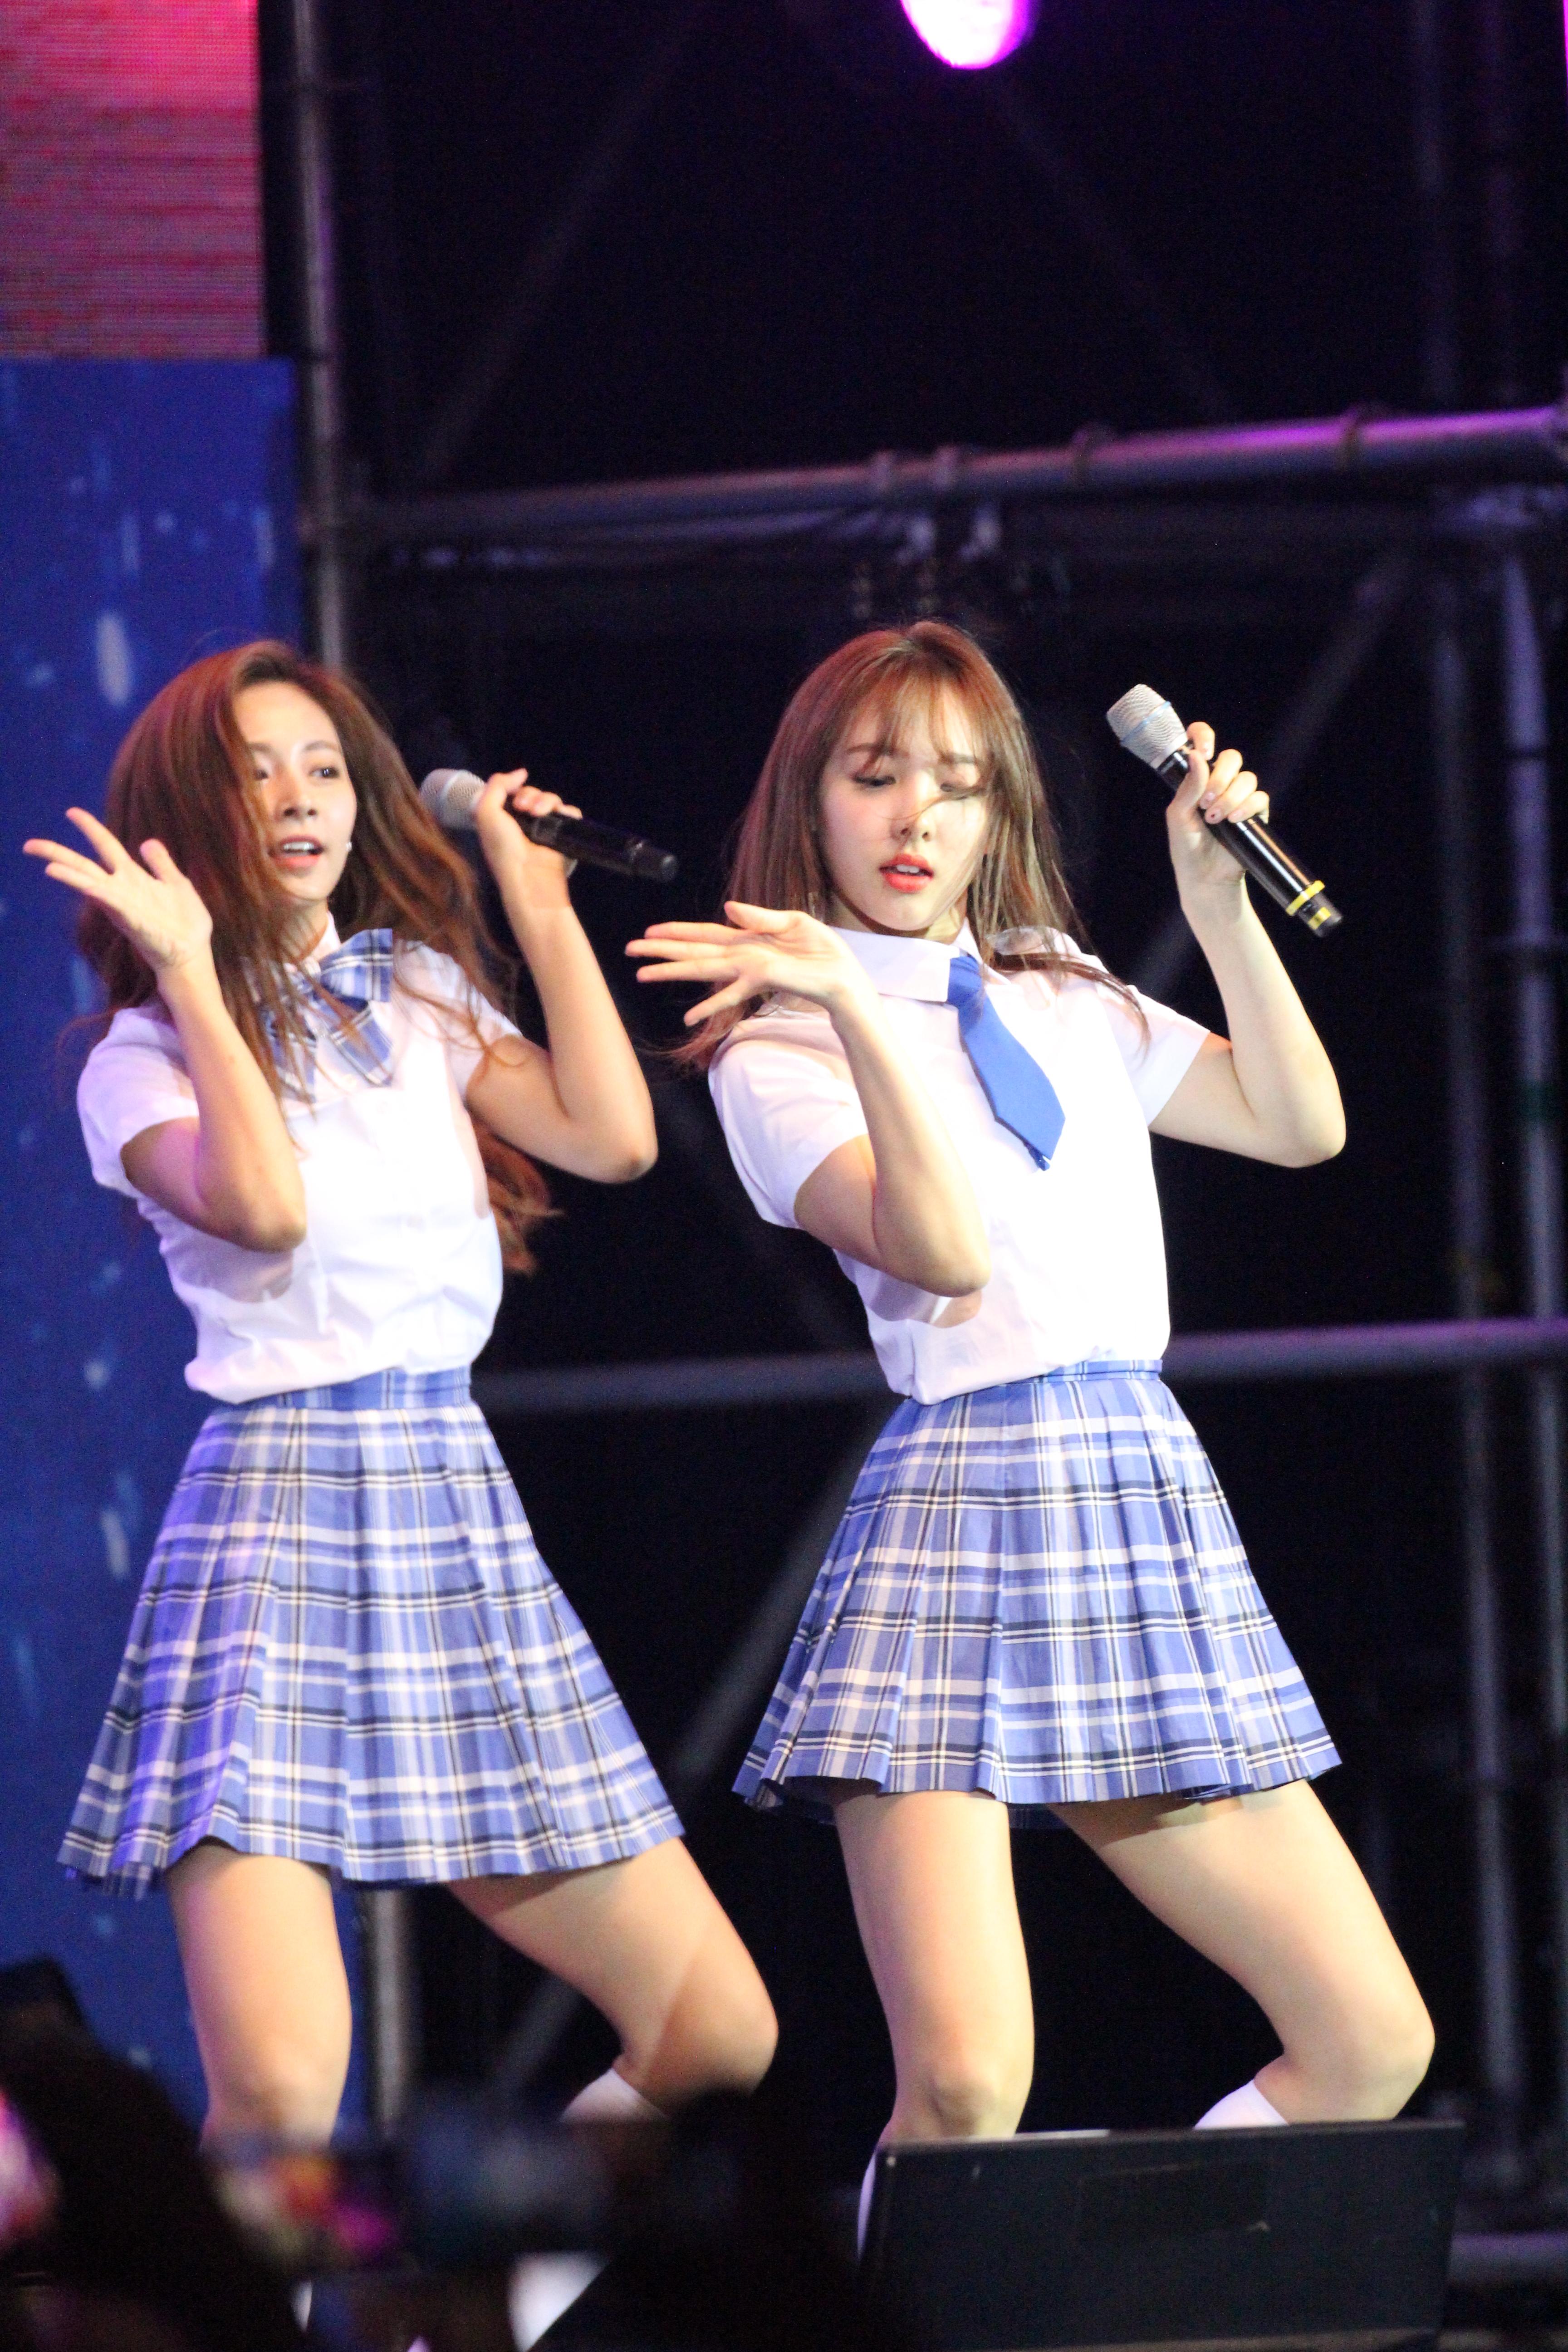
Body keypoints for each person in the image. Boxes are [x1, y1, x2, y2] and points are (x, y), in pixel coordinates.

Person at [627, 621, 1431, 2196]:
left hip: (1131, 1491)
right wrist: (862, 1011)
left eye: (958, 784)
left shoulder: (1060, 986)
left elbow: (1299, 1124)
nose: (915, 819)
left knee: (1368, 2040)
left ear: (1001, 810)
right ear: (811, 799)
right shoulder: (772, 1043)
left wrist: (1216, 905)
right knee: (967, 2079)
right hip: (958, 1506)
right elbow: (940, 1250)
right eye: (876, 778)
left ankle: (1141, 2306)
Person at [24, 642, 776, 2145]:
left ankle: (487, 2274)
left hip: (450, 1506)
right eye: (256, 776)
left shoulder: (415, 991)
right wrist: (196, 976)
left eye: (324, 771)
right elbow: (262, 1207)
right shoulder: (141, 1056)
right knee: (285, 2088)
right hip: (280, 1516)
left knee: (716, 2033)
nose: (301, 801)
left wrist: (541, 908)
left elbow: (612, 1138)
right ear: (188, 818)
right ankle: (230, 2281)